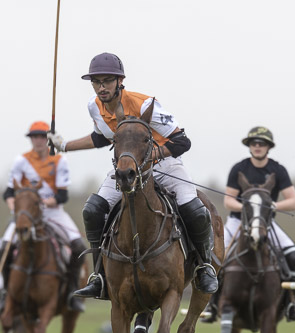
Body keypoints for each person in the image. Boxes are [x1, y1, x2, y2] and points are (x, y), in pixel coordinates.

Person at [47, 52, 218, 299]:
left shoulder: (145, 104)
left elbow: (182, 141)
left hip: (165, 163)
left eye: (107, 81)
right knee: (92, 210)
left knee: (193, 208)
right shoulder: (93, 107)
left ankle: (204, 266)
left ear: (120, 81)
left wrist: (153, 155)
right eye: (96, 82)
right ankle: (99, 275)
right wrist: (64, 145)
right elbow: (101, 137)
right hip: (127, 167)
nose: (101, 87)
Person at [204, 126, 295, 322]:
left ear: (268, 147)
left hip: (266, 223)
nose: (257, 146)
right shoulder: (239, 168)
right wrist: (249, 208)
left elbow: (294, 201)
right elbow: (229, 201)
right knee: (215, 258)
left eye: (262, 143)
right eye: (254, 143)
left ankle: (292, 304)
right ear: (249, 146)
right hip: (238, 222)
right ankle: (211, 304)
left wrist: (267, 207)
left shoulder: (278, 170)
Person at [0, 121, 87, 313]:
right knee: (4, 247)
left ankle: (71, 291)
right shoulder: (21, 161)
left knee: (79, 246)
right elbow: (9, 193)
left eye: (42, 137)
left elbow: (62, 195)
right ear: (31, 139)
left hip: (53, 212)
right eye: (34, 137)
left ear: (48, 139)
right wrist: (17, 209)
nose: (38, 140)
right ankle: (6, 293)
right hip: (25, 214)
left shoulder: (59, 161)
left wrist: (40, 204)